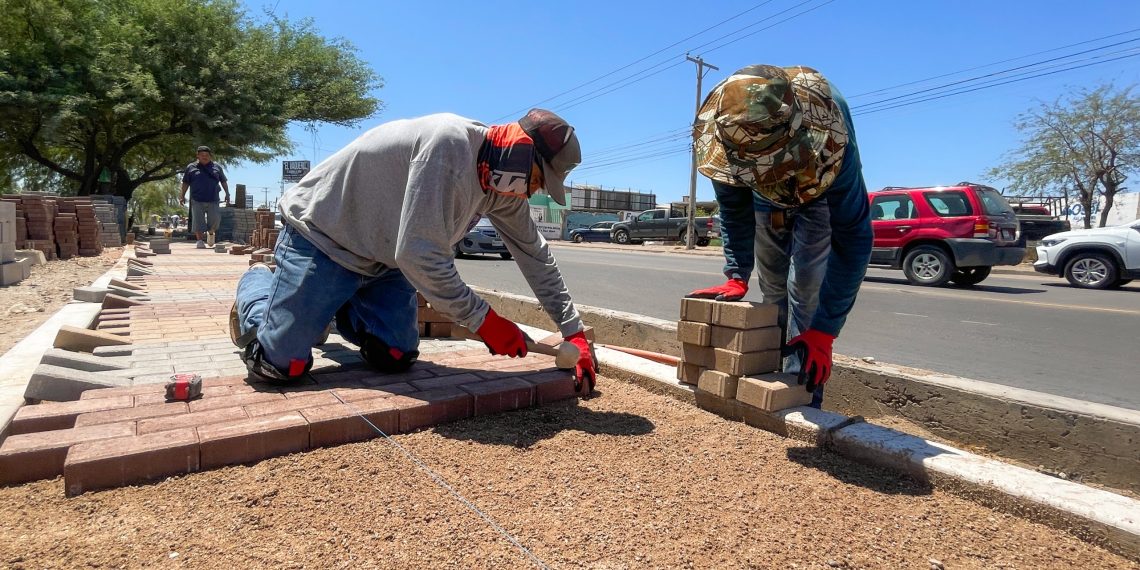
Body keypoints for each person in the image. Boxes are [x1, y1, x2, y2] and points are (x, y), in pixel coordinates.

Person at [228, 109, 597, 395]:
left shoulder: (503, 192)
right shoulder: (449, 146)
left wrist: (574, 332)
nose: (533, 192)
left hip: (382, 260)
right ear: (520, 153)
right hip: (324, 238)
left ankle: (325, 304)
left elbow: (537, 258)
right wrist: (485, 321)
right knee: (280, 365)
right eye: (537, 179)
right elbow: (420, 257)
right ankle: (260, 284)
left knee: (395, 356)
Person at [687, 65, 872, 407]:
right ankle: (766, 383)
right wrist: (737, 272)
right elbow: (733, 207)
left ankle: (800, 394)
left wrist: (825, 330)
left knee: (806, 289)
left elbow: (855, 239)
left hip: (817, 190)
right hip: (759, 196)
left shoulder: (831, 136)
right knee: (772, 291)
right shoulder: (725, 129)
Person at [179, 145, 230, 248]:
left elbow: (223, 181)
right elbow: (185, 183)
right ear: (197, 156)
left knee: (216, 219)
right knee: (198, 221)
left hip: (213, 198)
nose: (204, 157)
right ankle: (200, 241)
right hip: (197, 199)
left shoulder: (217, 167)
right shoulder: (191, 167)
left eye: (207, 155)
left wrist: (227, 193)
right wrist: (182, 195)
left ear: (210, 156)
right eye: (202, 155)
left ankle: (211, 232)